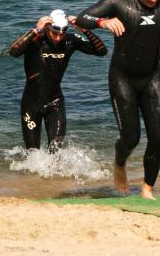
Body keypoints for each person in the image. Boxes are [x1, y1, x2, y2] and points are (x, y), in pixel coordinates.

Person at [75, 0, 160, 199]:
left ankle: (147, 188)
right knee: (131, 138)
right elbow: (83, 17)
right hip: (123, 78)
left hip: (152, 77)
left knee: (158, 136)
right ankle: (119, 164)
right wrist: (103, 23)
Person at [8, 9, 107, 153]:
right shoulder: (36, 39)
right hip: (31, 104)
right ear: (48, 28)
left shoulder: (70, 41)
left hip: (55, 102)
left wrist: (84, 29)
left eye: (62, 34)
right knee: (32, 153)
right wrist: (35, 29)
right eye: (55, 33)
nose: (58, 38)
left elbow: (101, 51)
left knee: (55, 150)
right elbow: (13, 51)